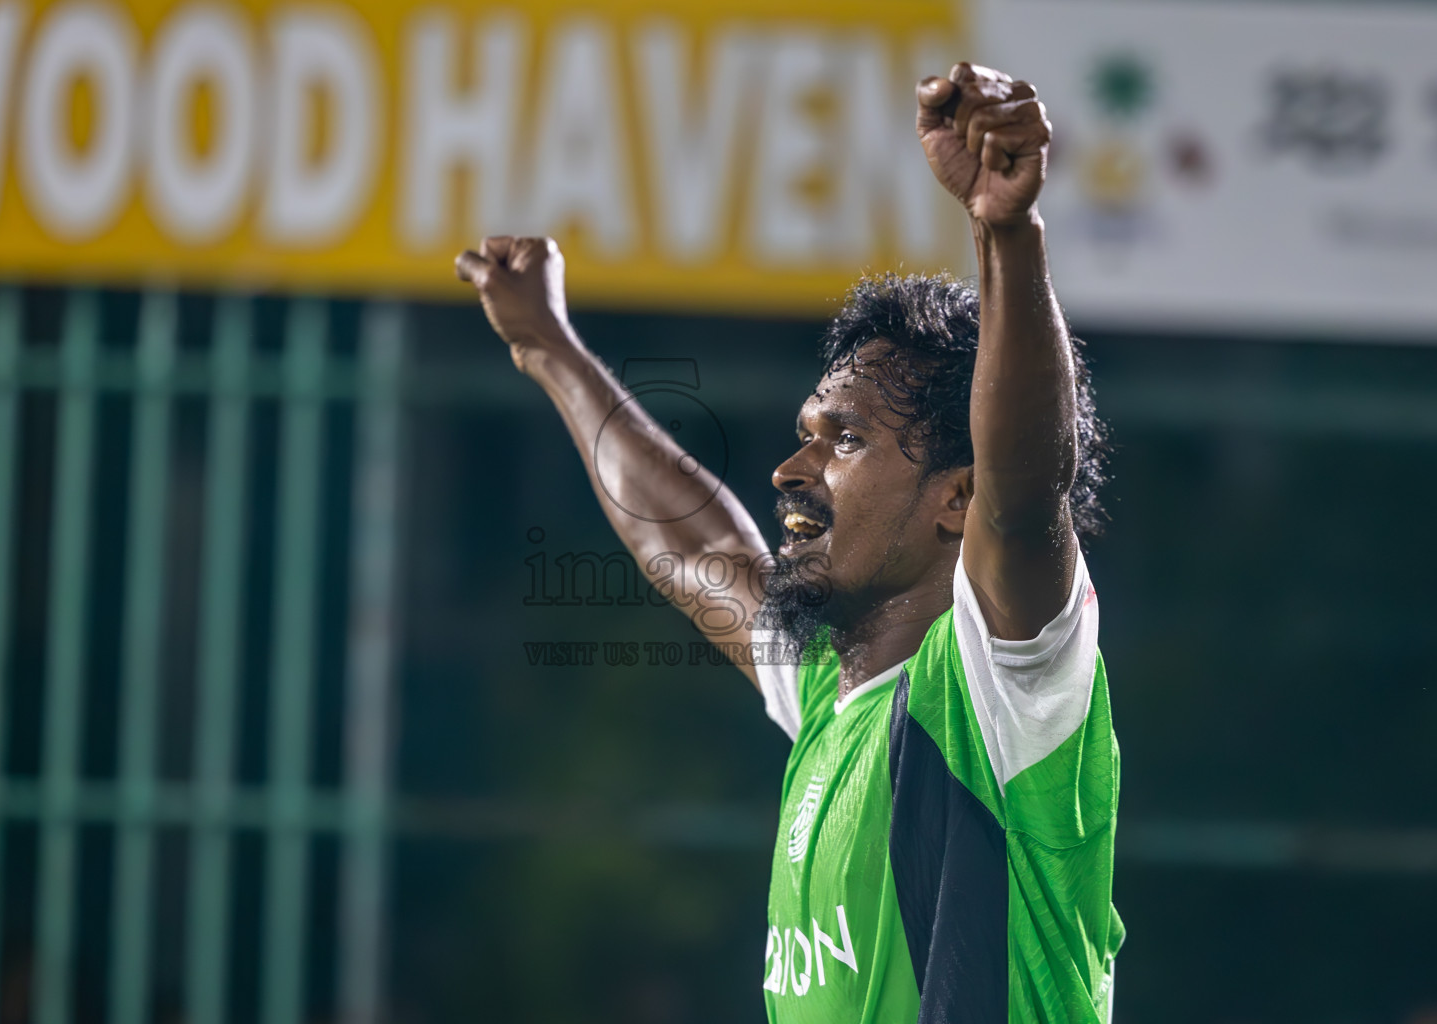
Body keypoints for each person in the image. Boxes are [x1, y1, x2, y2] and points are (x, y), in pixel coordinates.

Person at [456, 62, 1123, 1023]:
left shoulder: (1000, 690)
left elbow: (1026, 496)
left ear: (957, 498)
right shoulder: (830, 687)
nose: (790, 470)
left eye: (844, 439)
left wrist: (1004, 231)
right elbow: (693, 549)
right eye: (808, 432)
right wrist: (551, 352)